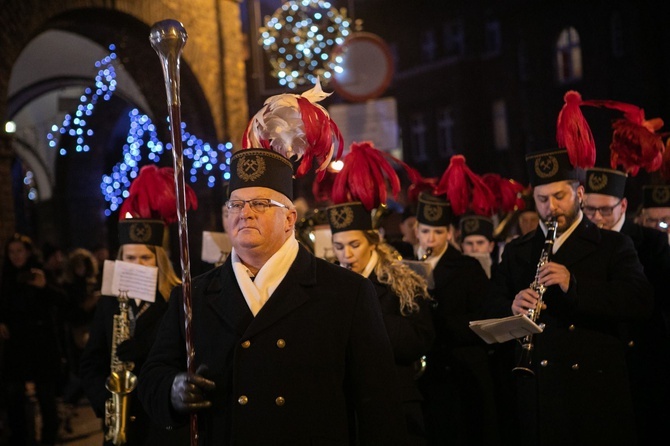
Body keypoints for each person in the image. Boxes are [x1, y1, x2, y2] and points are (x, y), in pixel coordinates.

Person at [138, 85, 408, 444]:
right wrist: (172, 389)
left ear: (290, 219)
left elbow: (379, 407)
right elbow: (154, 375)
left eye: (261, 204)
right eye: (235, 205)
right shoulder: (194, 294)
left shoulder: (346, 293)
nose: (245, 213)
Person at [483, 148, 653, 445]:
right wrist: (512, 306)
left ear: (580, 194)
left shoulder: (612, 244)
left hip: (594, 390)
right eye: (542, 199)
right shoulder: (517, 250)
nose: (552, 207)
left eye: (560, 196)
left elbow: (639, 300)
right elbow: (490, 305)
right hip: (538, 390)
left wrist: (573, 284)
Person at [327, 141, 435, 445]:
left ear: (373, 241)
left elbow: (419, 341)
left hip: (397, 401)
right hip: (349, 406)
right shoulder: (331, 283)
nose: (346, 255)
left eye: (354, 245)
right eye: (338, 247)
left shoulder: (403, 280)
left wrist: (366, 306)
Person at [79, 165, 193, 446]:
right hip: (121, 420)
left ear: (158, 260)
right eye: (130, 258)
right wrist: (105, 398)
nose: (137, 265)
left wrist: (144, 348)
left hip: (160, 423)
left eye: (144, 258)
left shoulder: (175, 298)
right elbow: (91, 361)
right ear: (120, 260)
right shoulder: (109, 303)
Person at [412, 155, 500, 445]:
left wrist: (437, 316)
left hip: (459, 366)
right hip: (427, 369)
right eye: (426, 232)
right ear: (417, 231)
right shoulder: (407, 266)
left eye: (438, 232)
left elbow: (483, 318)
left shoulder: (467, 267)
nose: (431, 239)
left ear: (450, 233)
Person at [583, 167, 670, 444]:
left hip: (642, 355)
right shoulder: (582, 243)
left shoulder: (652, 242)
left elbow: (658, 301)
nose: (597, 218)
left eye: (605, 211)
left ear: (622, 206)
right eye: (589, 210)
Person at [0, 233, 68, 446]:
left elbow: (64, 302)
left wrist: (44, 287)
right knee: (14, 397)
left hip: (41, 345)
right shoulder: (6, 276)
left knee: (47, 398)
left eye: (19, 251)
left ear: (28, 251)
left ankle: (48, 439)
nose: (16, 256)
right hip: (17, 345)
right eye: (11, 252)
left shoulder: (40, 272)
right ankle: (20, 438)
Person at [459, 214, 497, 278]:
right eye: (469, 243)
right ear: (462, 247)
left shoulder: (502, 275)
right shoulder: (453, 275)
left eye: (480, 243)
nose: (474, 249)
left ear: (491, 246)